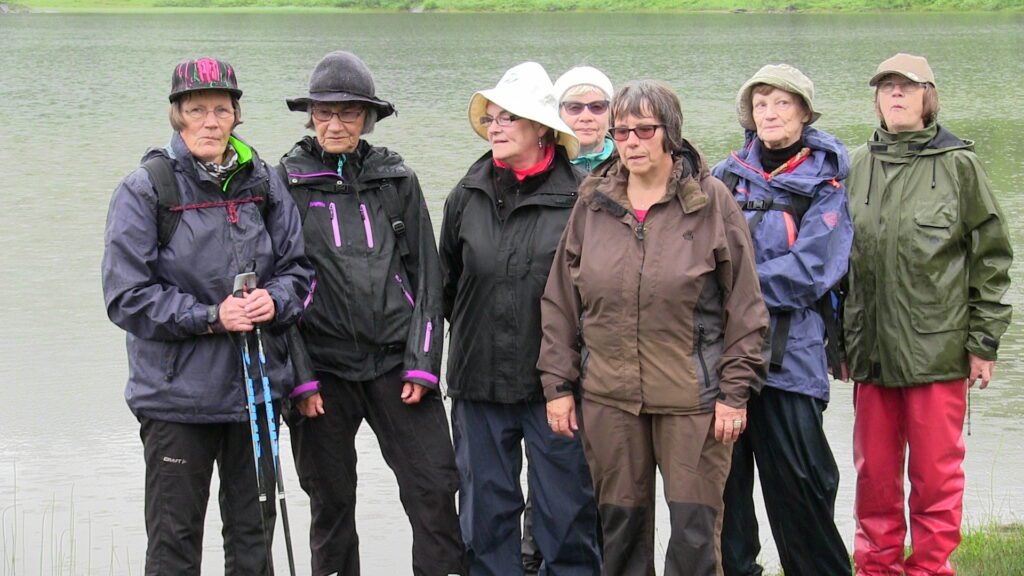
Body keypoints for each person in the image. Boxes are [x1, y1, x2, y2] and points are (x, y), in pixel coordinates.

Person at [538, 79, 769, 576]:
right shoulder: (593, 202)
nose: (631, 142)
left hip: (694, 401)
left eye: (645, 129)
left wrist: (735, 393)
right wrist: (557, 385)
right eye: (622, 132)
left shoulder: (712, 202)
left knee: (693, 538)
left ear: (671, 133)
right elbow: (559, 300)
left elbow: (746, 309)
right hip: (608, 398)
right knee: (620, 533)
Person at [101, 57, 313, 575]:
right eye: (197, 109)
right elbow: (125, 297)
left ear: (237, 114)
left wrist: (276, 300)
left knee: (252, 545)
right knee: (174, 548)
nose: (211, 122)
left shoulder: (263, 180)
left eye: (221, 109)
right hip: (176, 402)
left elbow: (298, 271)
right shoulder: (146, 188)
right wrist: (211, 316)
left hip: (255, 395)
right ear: (177, 116)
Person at [278, 50, 465, 576]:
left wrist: (424, 362)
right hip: (323, 376)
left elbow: (429, 277)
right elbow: (279, 291)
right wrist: (300, 379)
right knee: (331, 505)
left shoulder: (396, 180)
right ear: (310, 116)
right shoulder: (286, 183)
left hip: (398, 368)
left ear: (368, 116)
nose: (335, 123)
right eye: (323, 112)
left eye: (349, 112)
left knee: (434, 491)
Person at [845, 53, 1012, 576]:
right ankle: (877, 567)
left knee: (937, 477)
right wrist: (840, 342)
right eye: (886, 86)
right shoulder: (853, 165)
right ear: (876, 99)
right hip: (869, 352)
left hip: (938, 350)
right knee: (874, 477)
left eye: (907, 87)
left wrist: (983, 342)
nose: (895, 94)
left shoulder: (960, 164)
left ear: (927, 98)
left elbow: (991, 259)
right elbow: (836, 268)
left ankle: (932, 568)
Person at [440, 61, 602, 576]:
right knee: (484, 519)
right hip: (477, 383)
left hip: (555, 388)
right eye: (491, 116)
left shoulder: (583, 200)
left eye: (510, 117)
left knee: (567, 517)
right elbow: (446, 288)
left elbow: (593, 300)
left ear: (541, 129)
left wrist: (572, 377)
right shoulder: (465, 195)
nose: (496, 125)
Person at [712, 64, 852, 576]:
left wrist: (731, 288)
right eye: (760, 104)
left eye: (781, 103)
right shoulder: (723, 177)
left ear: (805, 112)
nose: (769, 113)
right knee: (724, 496)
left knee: (802, 489)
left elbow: (812, 269)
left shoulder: (828, 182)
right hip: (725, 359)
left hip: (791, 360)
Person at [554, 66, 615, 172]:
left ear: (610, 114)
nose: (586, 117)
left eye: (597, 107)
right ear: (558, 113)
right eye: (574, 107)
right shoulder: (540, 168)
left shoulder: (628, 165)